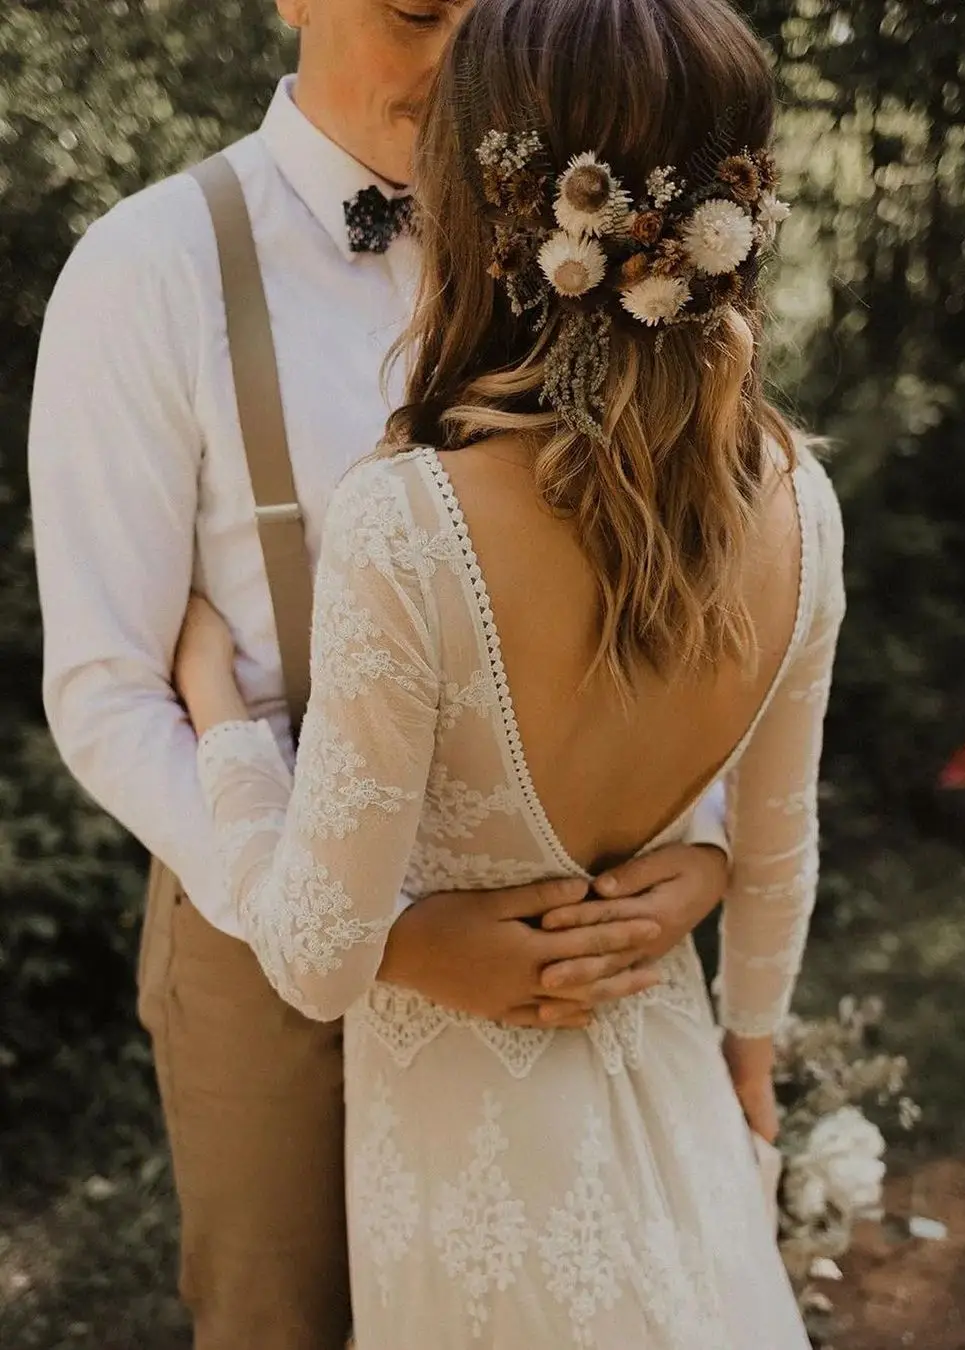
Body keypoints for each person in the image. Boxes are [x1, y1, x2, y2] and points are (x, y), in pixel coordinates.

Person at [27, 1, 731, 1346]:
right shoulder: (149, 268)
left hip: (552, 915)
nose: (467, 52)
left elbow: (675, 572)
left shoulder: (581, 250)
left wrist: (694, 839)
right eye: (420, 10)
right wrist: (374, 936)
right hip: (261, 916)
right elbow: (110, 690)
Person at [173, 0, 846, 1344]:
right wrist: (751, 1082)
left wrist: (227, 723)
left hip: (471, 1203)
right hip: (682, 1151)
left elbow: (316, 955)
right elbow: (778, 860)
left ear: (494, 206)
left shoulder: (409, 520)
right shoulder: (799, 500)